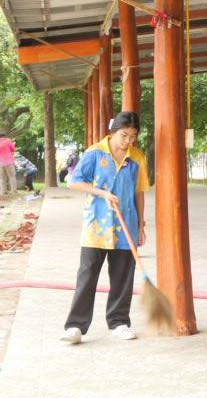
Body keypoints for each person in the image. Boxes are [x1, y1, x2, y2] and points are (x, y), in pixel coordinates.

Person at [61, 111, 150, 344]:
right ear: (113, 131)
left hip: (126, 225)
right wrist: (102, 193)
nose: (128, 141)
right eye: (124, 135)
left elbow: (139, 192)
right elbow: (74, 182)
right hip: (96, 226)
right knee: (87, 276)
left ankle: (119, 323)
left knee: (123, 278)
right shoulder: (95, 153)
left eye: (133, 136)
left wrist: (141, 224)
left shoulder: (137, 157)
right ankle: (75, 326)